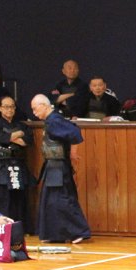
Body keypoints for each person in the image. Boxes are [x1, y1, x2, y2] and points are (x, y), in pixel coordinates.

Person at [31, 94, 91, 244]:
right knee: (50, 201)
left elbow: (75, 132)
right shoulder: (50, 120)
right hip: (52, 166)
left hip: (58, 167)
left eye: (35, 108)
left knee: (62, 199)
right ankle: (54, 234)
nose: (34, 113)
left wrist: (73, 153)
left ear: (44, 105)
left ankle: (79, 231)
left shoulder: (55, 120)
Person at [0, 95, 35, 230]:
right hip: (1, 168)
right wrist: (18, 134)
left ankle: (19, 229)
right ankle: (0, 229)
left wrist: (11, 137)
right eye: (6, 107)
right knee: (2, 198)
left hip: (18, 165)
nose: (10, 109)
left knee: (19, 199)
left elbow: (27, 142)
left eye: (12, 106)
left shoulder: (22, 125)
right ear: (0, 108)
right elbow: (2, 138)